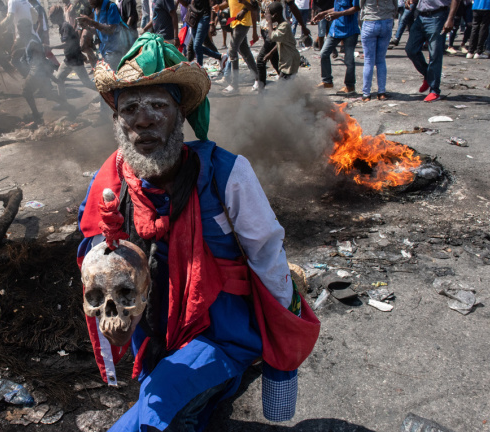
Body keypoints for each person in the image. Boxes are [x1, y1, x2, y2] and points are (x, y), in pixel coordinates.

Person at [78, 32, 316, 432]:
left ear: (180, 114)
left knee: (155, 417)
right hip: (153, 333)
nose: (144, 119)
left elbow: (268, 257)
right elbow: (95, 258)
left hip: (221, 332)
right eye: (131, 108)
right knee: (168, 402)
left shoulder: (227, 174)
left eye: (158, 105)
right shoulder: (110, 181)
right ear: (118, 121)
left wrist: (279, 337)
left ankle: (225, 372)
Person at [404, 0, 460, 102]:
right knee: (411, 49)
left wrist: (450, 19)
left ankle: (434, 91)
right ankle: (428, 75)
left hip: (438, 16)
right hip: (420, 16)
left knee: (435, 54)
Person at [313, 0, 361, 95]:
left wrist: (339, 14)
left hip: (350, 30)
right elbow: (337, 8)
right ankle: (327, 81)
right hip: (335, 29)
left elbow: (356, 8)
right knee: (324, 53)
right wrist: (324, 13)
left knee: (349, 60)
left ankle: (350, 86)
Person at [213, 0, 260, 93]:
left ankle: (234, 85)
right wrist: (219, 7)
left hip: (243, 22)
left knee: (232, 50)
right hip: (235, 22)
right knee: (244, 50)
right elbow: (228, 2)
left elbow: (254, 7)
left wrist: (254, 31)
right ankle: (258, 78)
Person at [49, 5, 96, 99]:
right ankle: (63, 102)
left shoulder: (65, 27)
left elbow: (68, 44)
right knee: (59, 79)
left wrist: (52, 47)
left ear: (58, 15)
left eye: (52, 16)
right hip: (68, 60)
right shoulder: (62, 26)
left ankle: (105, 93)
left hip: (75, 60)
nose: (50, 19)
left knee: (86, 83)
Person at [359, 0, 398, 101]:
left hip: (370, 21)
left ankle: (366, 94)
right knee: (381, 60)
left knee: (368, 60)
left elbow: (361, 4)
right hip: (387, 21)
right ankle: (381, 92)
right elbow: (395, 5)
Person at [261, 1, 301, 87]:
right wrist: (271, 53)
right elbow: (280, 42)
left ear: (275, 15)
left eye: (269, 15)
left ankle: (296, 94)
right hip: (287, 59)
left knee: (283, 86)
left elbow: (272, 37)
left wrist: (269, 21)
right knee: (286, 83)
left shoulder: (284, 26)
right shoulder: (281, 25)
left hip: (290, 60)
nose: (267, 17)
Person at [77, 0, 125, 69]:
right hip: (104, 52)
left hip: (113, 52)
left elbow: (111, 30)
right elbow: (98, 30)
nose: (88, 1)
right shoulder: (95, 9)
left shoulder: (111, 6)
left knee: (112, 74)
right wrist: (86, 27)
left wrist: (91, 22)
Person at [178, 0, 227, 66]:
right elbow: (188, 3)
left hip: (204, 17)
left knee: (197, 46)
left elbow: (212, 4)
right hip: (194, 17)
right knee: (198, 46)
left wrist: (212, 22)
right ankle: (220, 57)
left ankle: (200, 67)